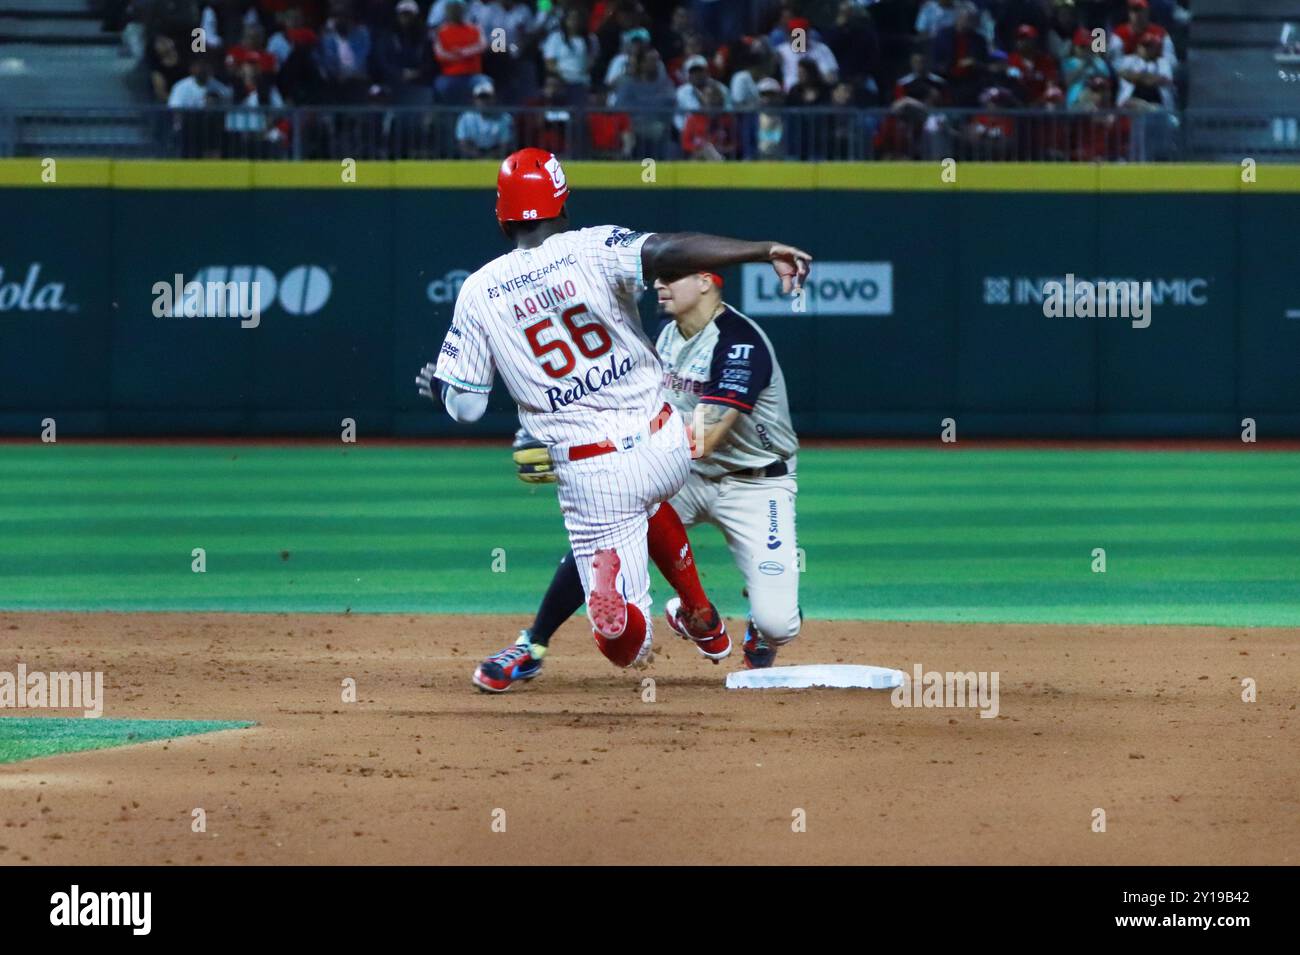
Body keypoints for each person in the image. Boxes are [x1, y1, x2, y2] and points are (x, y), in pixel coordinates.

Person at [417, 148, 811, 692]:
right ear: (563, 202)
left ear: (501, 215)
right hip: (666, 443)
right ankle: (700, 614)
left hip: (595, 473)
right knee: (646, 498)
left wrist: (439, 388)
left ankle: (615, 608)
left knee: (628, 646)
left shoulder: (479, 290)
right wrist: (760, 248)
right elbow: (669, 249)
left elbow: (466, 407)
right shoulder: (593, 245)